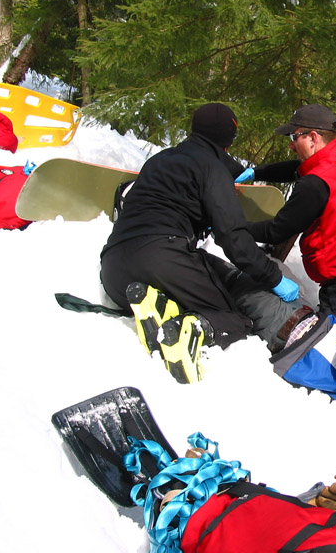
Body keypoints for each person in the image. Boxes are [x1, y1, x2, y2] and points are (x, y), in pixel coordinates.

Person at [100, 103, 306, 380]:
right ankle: (194, 328)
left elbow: (204, 160)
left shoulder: (160, 160)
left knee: (186, 289)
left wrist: (244, 171)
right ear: (228, 140)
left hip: (113, 271)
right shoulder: (213, 169)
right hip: (163, 258)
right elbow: (232, 237)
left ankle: (162, 310)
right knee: (234, 321)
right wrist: (274, 278)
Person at [240, 104, 336, 330]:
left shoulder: (315, 184)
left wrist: (232, 226)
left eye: (294, 137)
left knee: (330, 349)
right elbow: (299, 168)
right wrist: (256, 172)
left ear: (312, 137)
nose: (290, 144)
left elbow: (276, 231)